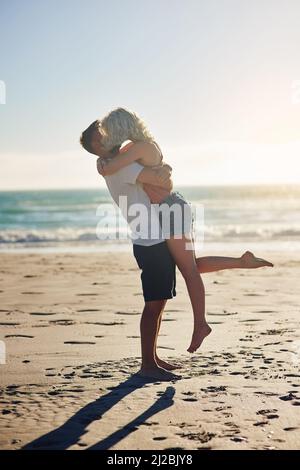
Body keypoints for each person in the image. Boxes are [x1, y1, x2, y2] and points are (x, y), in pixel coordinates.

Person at [80, 108, 273, 381]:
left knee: (169, 290)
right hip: (150, 239)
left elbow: (162, 178)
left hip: (155, 232)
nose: (109, 136)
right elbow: (163, 180)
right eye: (103, 135)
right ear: (98, 146)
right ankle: (148, 364)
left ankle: (154, 358)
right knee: (154, 304)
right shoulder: (120, 168)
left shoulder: (118, 163)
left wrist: (161, 167)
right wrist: (163, 168)